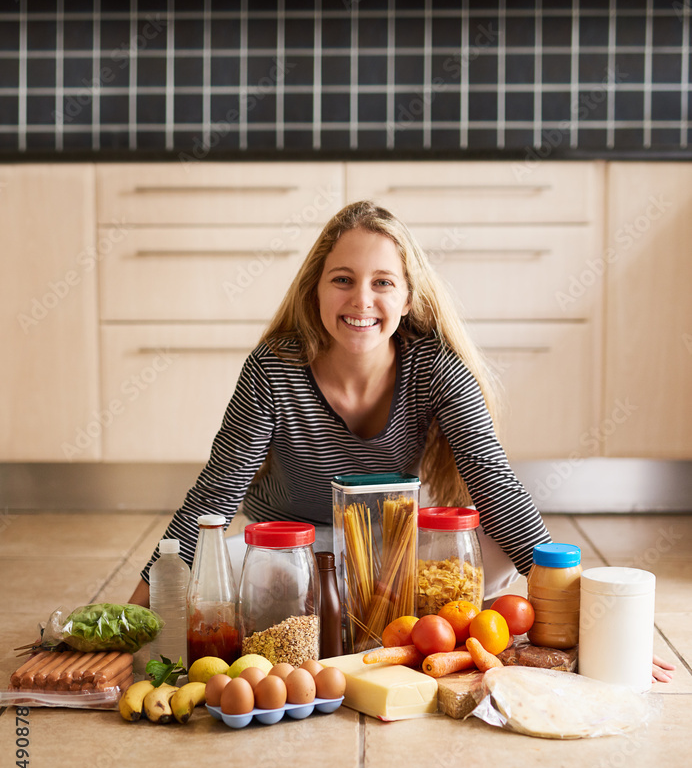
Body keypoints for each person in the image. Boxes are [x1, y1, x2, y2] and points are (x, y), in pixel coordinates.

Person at [129, 200, 674, 684]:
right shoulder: (275, 367)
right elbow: (215, 496)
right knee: (219, 560)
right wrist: (136, 617)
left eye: (382, 282)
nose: (360, 299)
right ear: (315, 288)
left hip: (389, 552)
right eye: (341, 279)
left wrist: (591, 627)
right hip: (292, 551)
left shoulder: (435, 366)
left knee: (493, 551)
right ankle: (357, 618)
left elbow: (497, 487)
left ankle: (373, 620)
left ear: (409, 296)